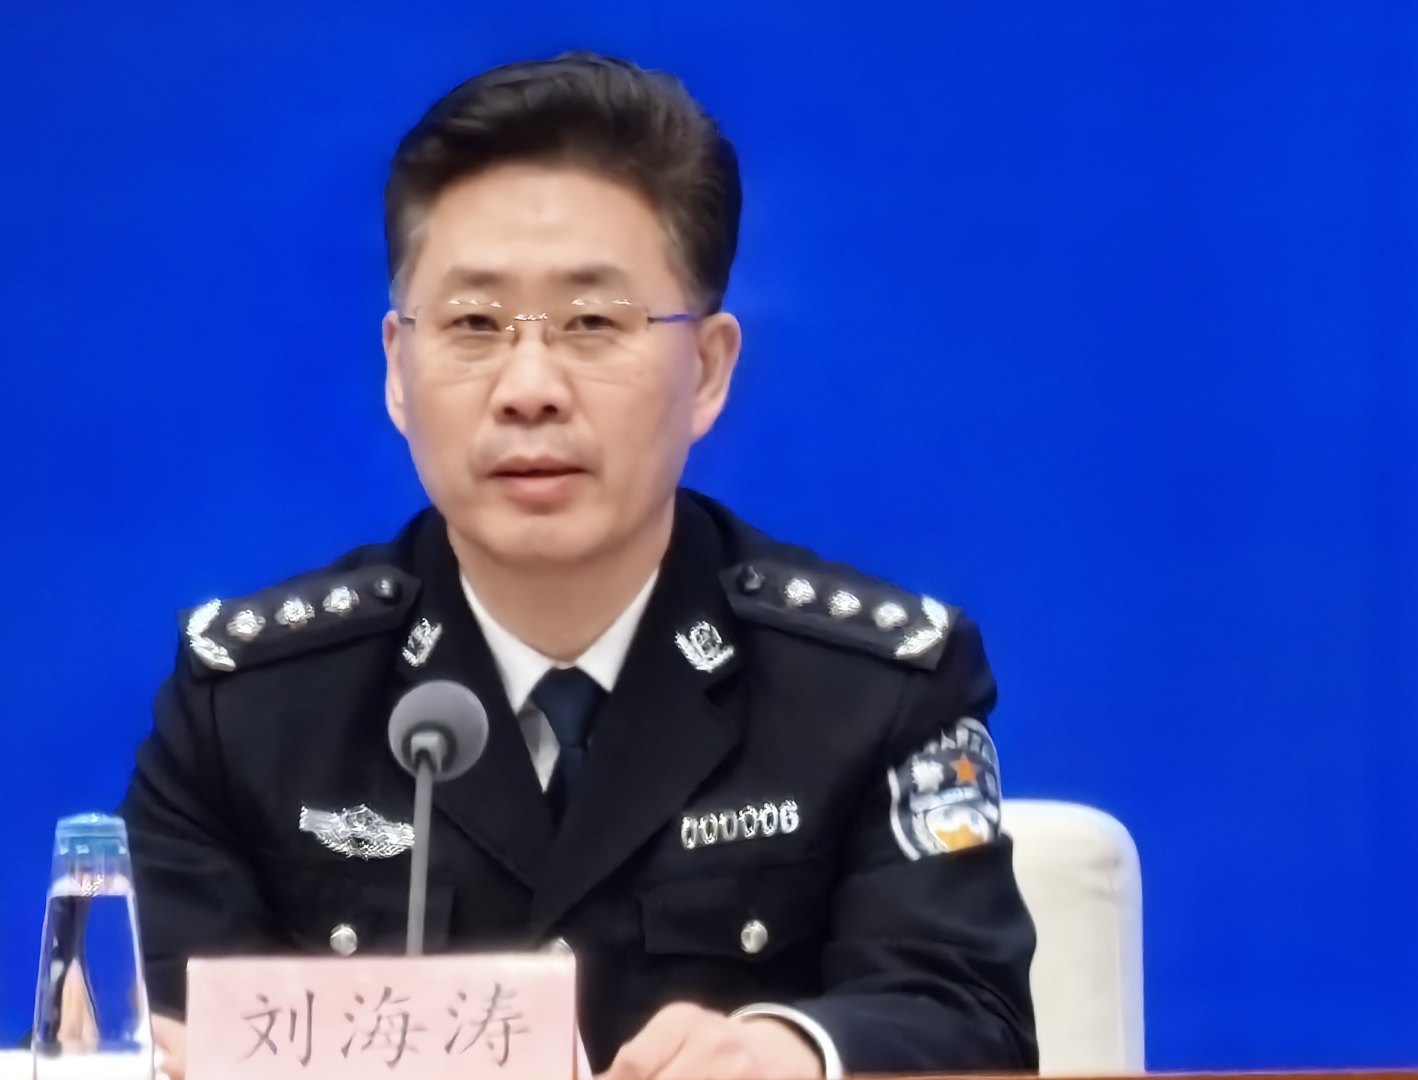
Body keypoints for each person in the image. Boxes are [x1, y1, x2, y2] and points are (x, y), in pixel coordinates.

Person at [121, 52, 1036, 1080]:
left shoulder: (871, 692)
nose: (530, 388)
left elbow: (970, 1018)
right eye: (474, 324)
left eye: (594, 323)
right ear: (397, 369)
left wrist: (792, 1051)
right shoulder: (250, 708)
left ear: (708, 371)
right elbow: (151, 1024)